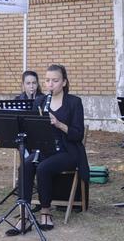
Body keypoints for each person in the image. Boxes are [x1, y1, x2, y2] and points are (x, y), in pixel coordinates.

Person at [17, 64, 90, 231]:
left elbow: (77, 135)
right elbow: (32, 131)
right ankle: (24, 213)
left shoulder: (74, 102)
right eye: (48, 80)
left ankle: (45, 211)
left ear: (64, 82)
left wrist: (58, 124)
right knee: (26, 165)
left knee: (43, 168)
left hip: (68, 151)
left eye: (55, 80)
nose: (50, 84)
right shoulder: (39, 101)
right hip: (44, 149)